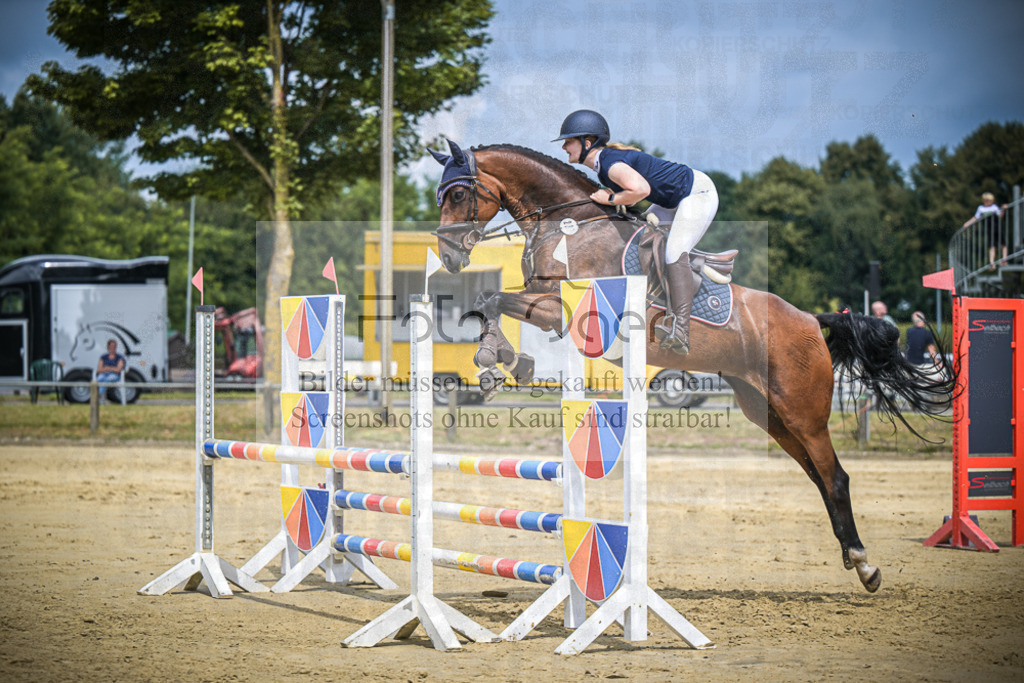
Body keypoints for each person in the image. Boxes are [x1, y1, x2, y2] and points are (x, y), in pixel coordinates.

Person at [552, 109, 719, 355]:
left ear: (587, 143)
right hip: (671, 200)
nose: (564, 146)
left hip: (696, 194)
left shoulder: (609, 163)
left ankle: (681, 329)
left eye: (569, 141)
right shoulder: (603, 164)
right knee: (641, 240)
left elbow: (640, 189)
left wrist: (609, 198)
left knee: (674, 252)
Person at [961, 192, 1008, 269]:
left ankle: (1004, 260)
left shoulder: (994, 207)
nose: (989, 202)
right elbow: (976, 217)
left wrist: (1003, 210)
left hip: (997, 227)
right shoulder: (981, 208)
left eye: (990, 200)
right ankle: (992, 263)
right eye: (987, 200)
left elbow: (1000, 215)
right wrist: (967, 224)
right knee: (992, 246)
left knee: (1003, 244)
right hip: (989, 229)